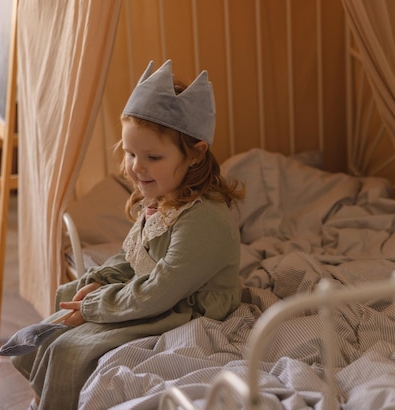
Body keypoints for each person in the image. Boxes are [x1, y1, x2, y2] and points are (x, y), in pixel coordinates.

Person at [12, 60, 245, 410]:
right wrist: (99, 280)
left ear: (195, 155)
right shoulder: (164, 197)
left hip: (188, 308)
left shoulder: (204, 220)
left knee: (70, 348)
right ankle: (41, 401)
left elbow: (157, 292)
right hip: (160, 295)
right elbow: (134, 256)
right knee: (50, 330)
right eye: (130, 153)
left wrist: (96, 306)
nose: (137, 166)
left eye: (152, 156)